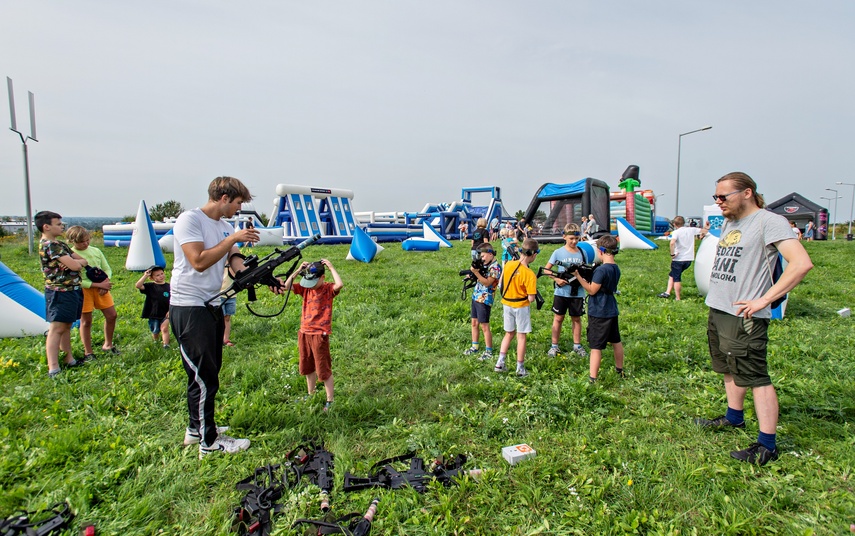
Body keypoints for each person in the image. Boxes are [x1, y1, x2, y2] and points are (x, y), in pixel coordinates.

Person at [695, 172, 812, 466]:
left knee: (755, 376)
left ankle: (767, 444)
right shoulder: (732, 223)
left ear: (747, 193)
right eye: (716, 197)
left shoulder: (769, 222)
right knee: (727, 366)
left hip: (745, 314)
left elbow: (801, 263)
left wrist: (765, 299)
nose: (719, 202)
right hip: (720, 308)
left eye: (724, 197)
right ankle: (734, 418)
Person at [171, 176, 271, 459]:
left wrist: (263, 277)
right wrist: (232, 239)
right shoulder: (189, 220)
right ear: (224, 197)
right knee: (204, 378)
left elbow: (235, 263)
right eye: (238, 203)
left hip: (211, 305)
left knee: (205, 373)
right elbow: (199, 261)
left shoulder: (225, 226)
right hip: (189, 306)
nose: (239, 209)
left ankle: (196, 429)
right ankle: (209, 442)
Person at [283, 259, 343, 412]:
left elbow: (339, 284)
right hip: (304, 332)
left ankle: (330, 400)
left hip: (319, 334)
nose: (310, 285)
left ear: (322, 278)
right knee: (307, 365)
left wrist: (331, 266)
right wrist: (298, 270)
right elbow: (286, 286)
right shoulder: (305, 289)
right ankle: (311, 393)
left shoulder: (328, 289)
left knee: (323, 368)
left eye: (314, 281)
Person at [35, 211, 88, 378]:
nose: (62, 226)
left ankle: (68, 358)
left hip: (72, 290)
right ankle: (53, 367)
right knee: (57, 328)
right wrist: (74, 263)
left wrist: (74, 263)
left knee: (66, 325)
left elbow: (82, 261)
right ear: (46, 226)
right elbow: (76, 266)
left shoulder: (60, 244)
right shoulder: (50, 245)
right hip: (59, 292)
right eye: (58, 224)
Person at [574, 234, 624, 383]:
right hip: (611, 308)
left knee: (596, 346)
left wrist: (578, 276)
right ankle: (619, 370)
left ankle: (592, 378)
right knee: (616, 341)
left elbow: (592, 290)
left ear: (601, 251)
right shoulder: (616, 268)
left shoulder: (601, 270)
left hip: (599, 311)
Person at [67, 226, 119, 359]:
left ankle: (108, 344)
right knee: (86, 321)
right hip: (85, 290)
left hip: (102, 287)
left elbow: (106, 268)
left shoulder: (96, 251)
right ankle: (88, 352)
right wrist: (97, 284)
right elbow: (77, 280)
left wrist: (106, 282)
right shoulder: (70, 255)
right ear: (72, 241)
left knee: (112, 315)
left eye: (87, 240)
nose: (85, 244)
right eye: (81, 242)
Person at [495, 238, 539, 377]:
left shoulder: (508, 265)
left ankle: (500, 363)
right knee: (521, 336)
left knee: (509, 333)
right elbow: (531, 298)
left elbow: (501, 283)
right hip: (521, 306)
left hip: (507, 303)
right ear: (534, 254)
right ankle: (520, 368)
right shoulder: (530, 274)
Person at [545, 224, 588, 358]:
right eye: (571, 238)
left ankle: (577, 345)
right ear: (564, 237)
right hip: (561, 292)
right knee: (558, 318)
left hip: (578, 292)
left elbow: (586, 269)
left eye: (576, 238)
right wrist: (556, 279)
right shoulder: (558, 252)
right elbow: (547, 269)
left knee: (576, 318)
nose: (574, 241)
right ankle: (554, 346)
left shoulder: (582, 252)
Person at [461, 243, 502, 361]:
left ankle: (489, 351)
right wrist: (472, 276)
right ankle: (475, 346)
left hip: (485, 298)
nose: (481, 259)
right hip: (476, 296)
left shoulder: (495, 267)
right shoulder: (485, 265)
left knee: (484, 326)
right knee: (474, 323)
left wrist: (476, 273)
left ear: (490, 254)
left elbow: (488, 282)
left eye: (483, 256)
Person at [658, 216, 709, 300]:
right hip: (688, 259)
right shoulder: (691, 230)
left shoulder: (676, 232)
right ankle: (667, 292)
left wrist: (672, 254)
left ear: (674, 224)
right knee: (672, 275)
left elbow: (672, 243)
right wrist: (706, 227)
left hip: (678, 259)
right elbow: (705, 231)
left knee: (677, 278)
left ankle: (678, 298)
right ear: (683, 223)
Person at [135, 265, 171, 348]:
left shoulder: (169, 287)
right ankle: (156, 341)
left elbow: (173, 299)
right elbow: (138, 285)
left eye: (162, 274)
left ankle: (166, 345)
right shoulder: (150, 287)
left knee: (164, 328)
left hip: (166, 313)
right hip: (153, 313)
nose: (161, 276)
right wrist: (145, 275)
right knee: (155, 330)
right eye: (157, 275)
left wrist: (170, 310)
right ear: (151, 278)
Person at [220, 267, 237, 347]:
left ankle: (226, 339)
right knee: (220, 318)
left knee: (227, 317)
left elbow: (236, 275)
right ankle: (219, 339)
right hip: (219, 294)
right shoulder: (217, 262)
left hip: (231, 295)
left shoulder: (232, 261)